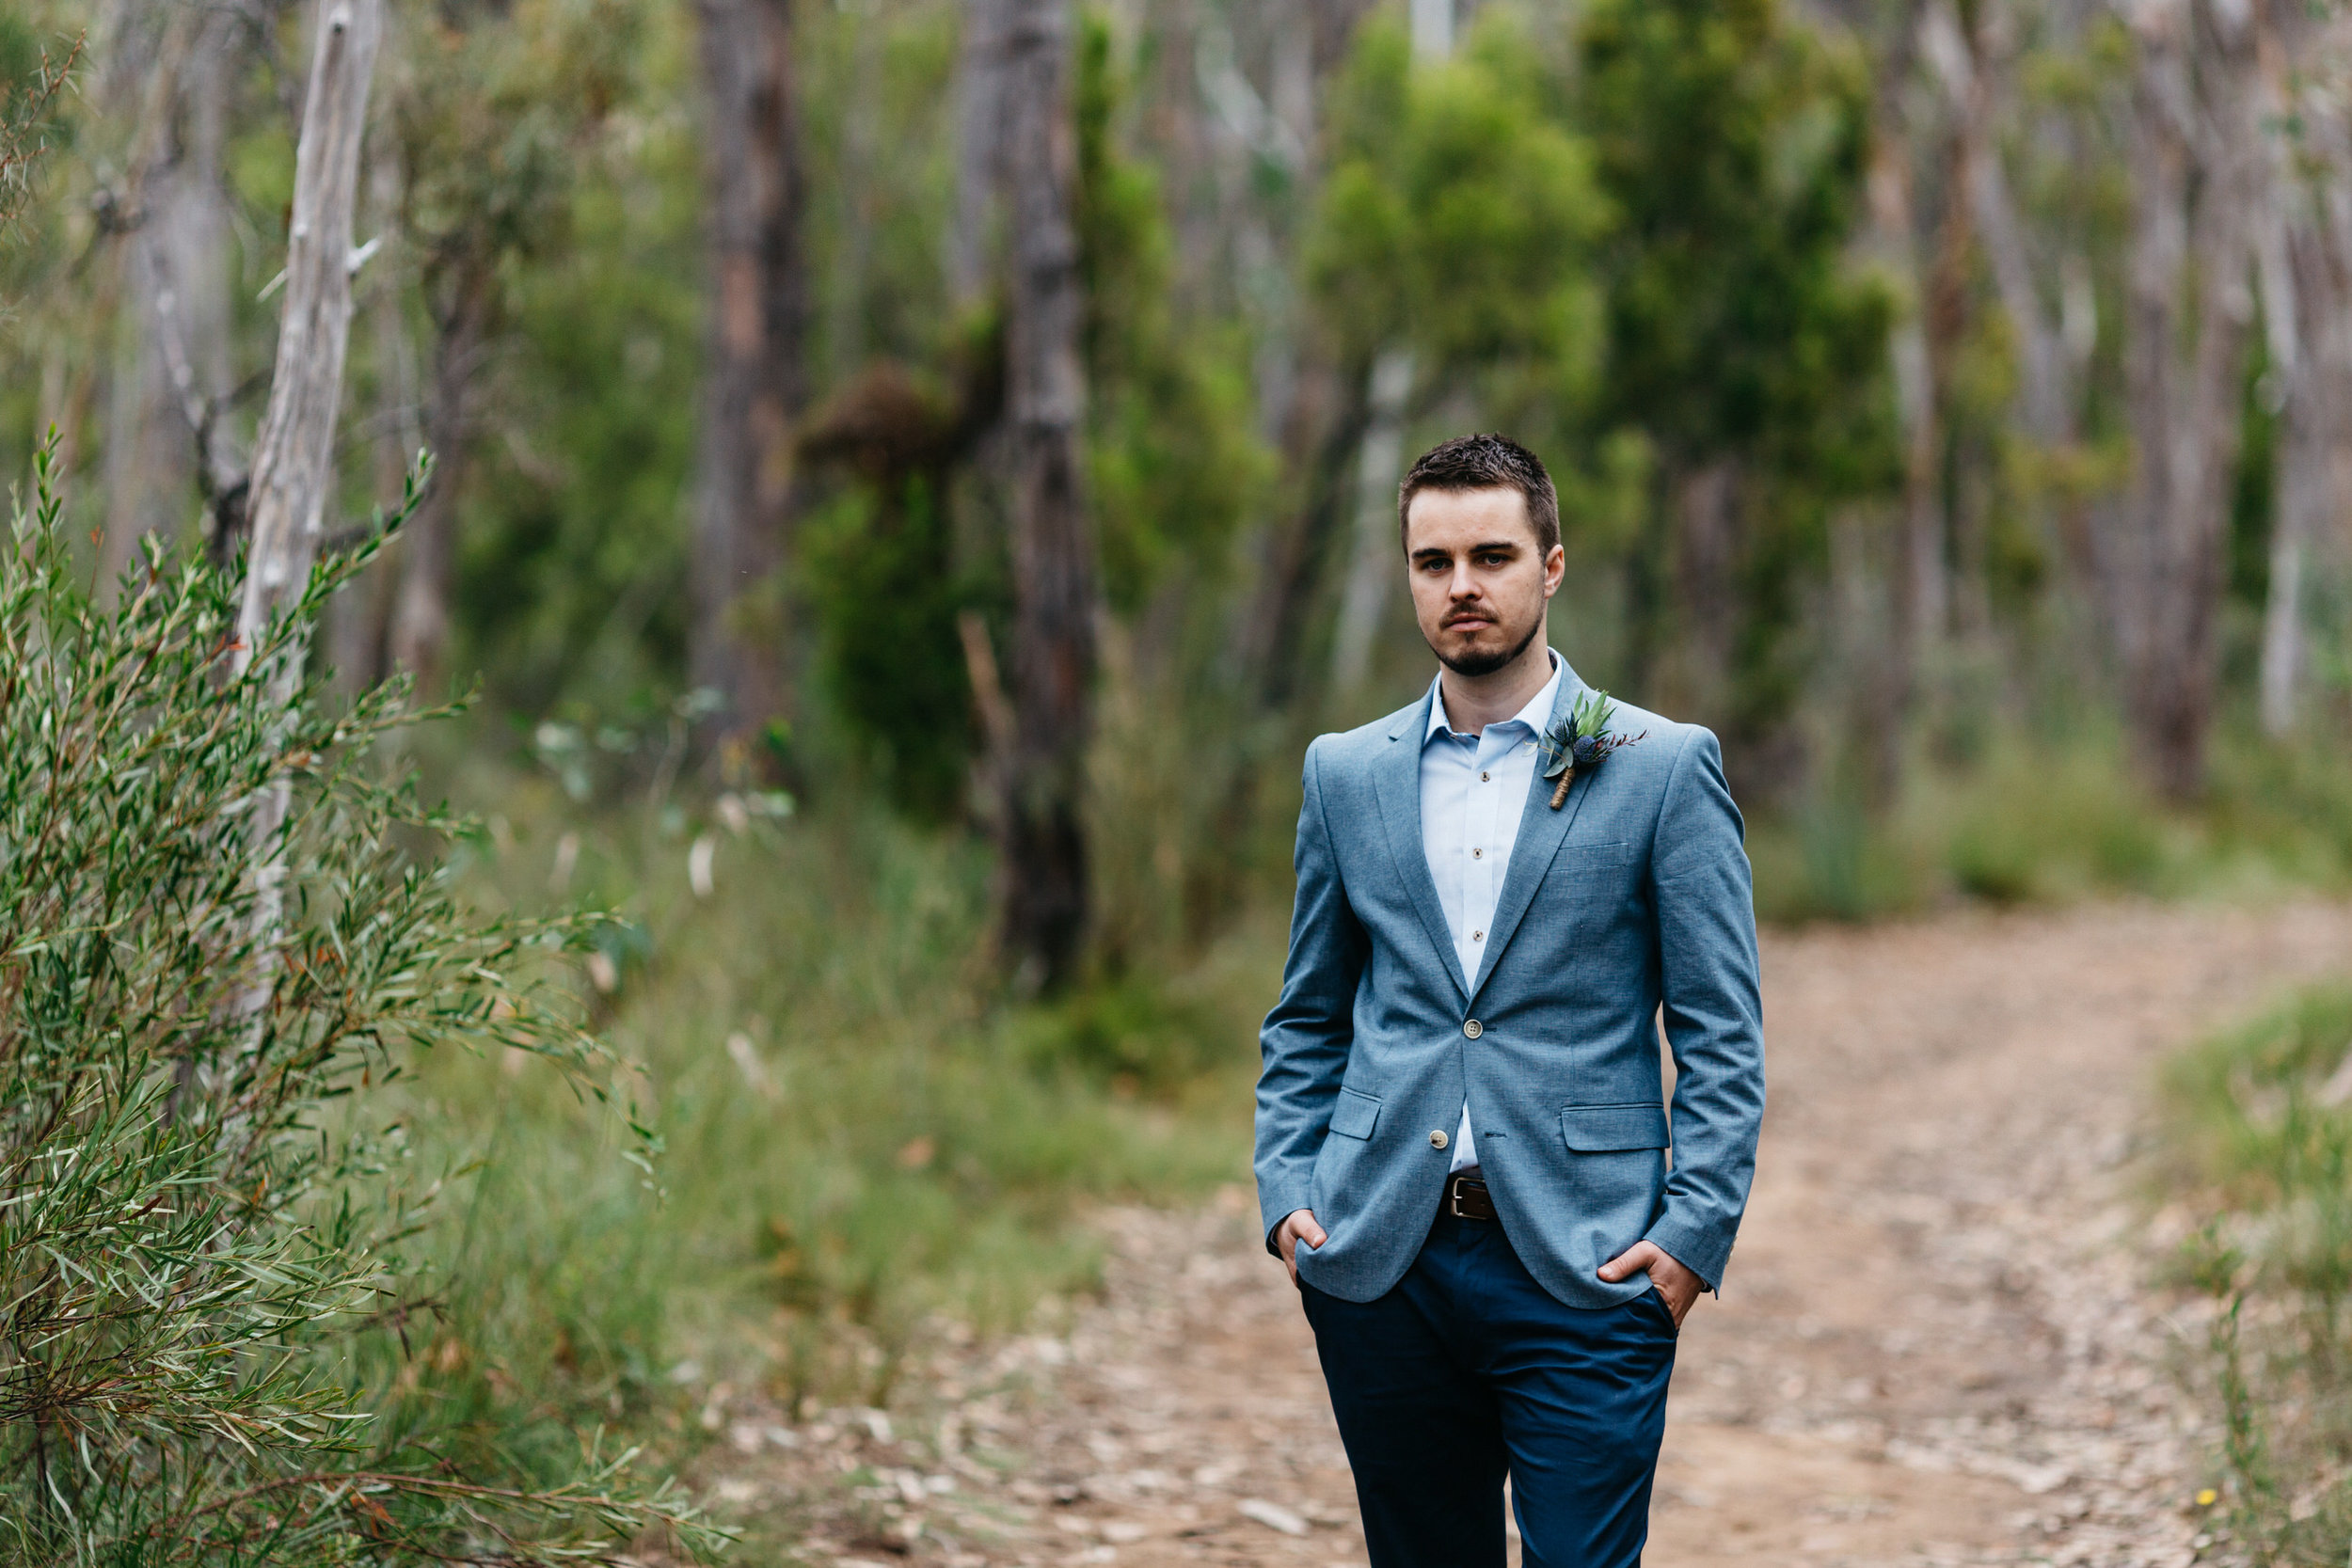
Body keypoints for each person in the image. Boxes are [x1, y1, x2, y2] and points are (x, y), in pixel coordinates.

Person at [1254, 433, 1765, 1567]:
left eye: (1491, 555)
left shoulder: (1661, 763)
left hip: (1588, 1259)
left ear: (1552, 565)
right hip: (1381, 1255)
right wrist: (1287, 1187)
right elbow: (1306, 1011)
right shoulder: (1344, 771)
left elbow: (1721, 1032)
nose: (1462, 586)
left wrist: (1691, 1234)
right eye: (1432, 562)